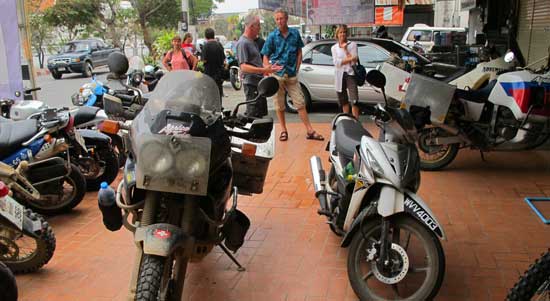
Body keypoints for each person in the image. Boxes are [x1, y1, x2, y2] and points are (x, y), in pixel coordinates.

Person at [261, 8, 324, 141]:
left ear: (286, 19)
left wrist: (298, 65)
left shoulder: (295, 34)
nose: (279, 21)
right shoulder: (272, 36)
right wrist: (267, 69)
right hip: (277, 74)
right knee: (279, 104)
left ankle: (310, 130)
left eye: (281, 18)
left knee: (300, 103)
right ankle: (283, 130)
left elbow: (299, 51)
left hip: (291, 74)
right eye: (277, 19)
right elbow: (265, 55)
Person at [236, 14, 283, 118]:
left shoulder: (252, 42)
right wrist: (263, 70)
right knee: (253, 115)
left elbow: (255, 63)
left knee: (260, 115)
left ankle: (259, 134)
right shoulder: (243, 43)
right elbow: (243, 67)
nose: (259, 28)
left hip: (259, 84)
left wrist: (269, 69)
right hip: (251, 85)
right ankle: (254, 134)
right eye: (258, 25)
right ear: (251, 26)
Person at [331, 25, 360, 118]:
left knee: (354, 100)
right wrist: (350, 58)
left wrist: (346, 50)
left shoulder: (353, 44)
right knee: (343, 100)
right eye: (340, 32)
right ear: (337, 35)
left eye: (344, 32)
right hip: (339, 75)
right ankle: (347, 119)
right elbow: (336, 63)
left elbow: (354, 60)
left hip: (350, 73)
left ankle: (356, 121)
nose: (342, 34)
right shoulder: (334, 48)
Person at [202, 28, 226, 103]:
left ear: (205, 36)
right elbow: (223, 59)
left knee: (209, 93)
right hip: (218, 73)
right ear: (213, 35)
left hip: (208, 74)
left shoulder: (205, 46)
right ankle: (219, 109)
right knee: (218, 92)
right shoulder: (219, 45)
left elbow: (204, 60)